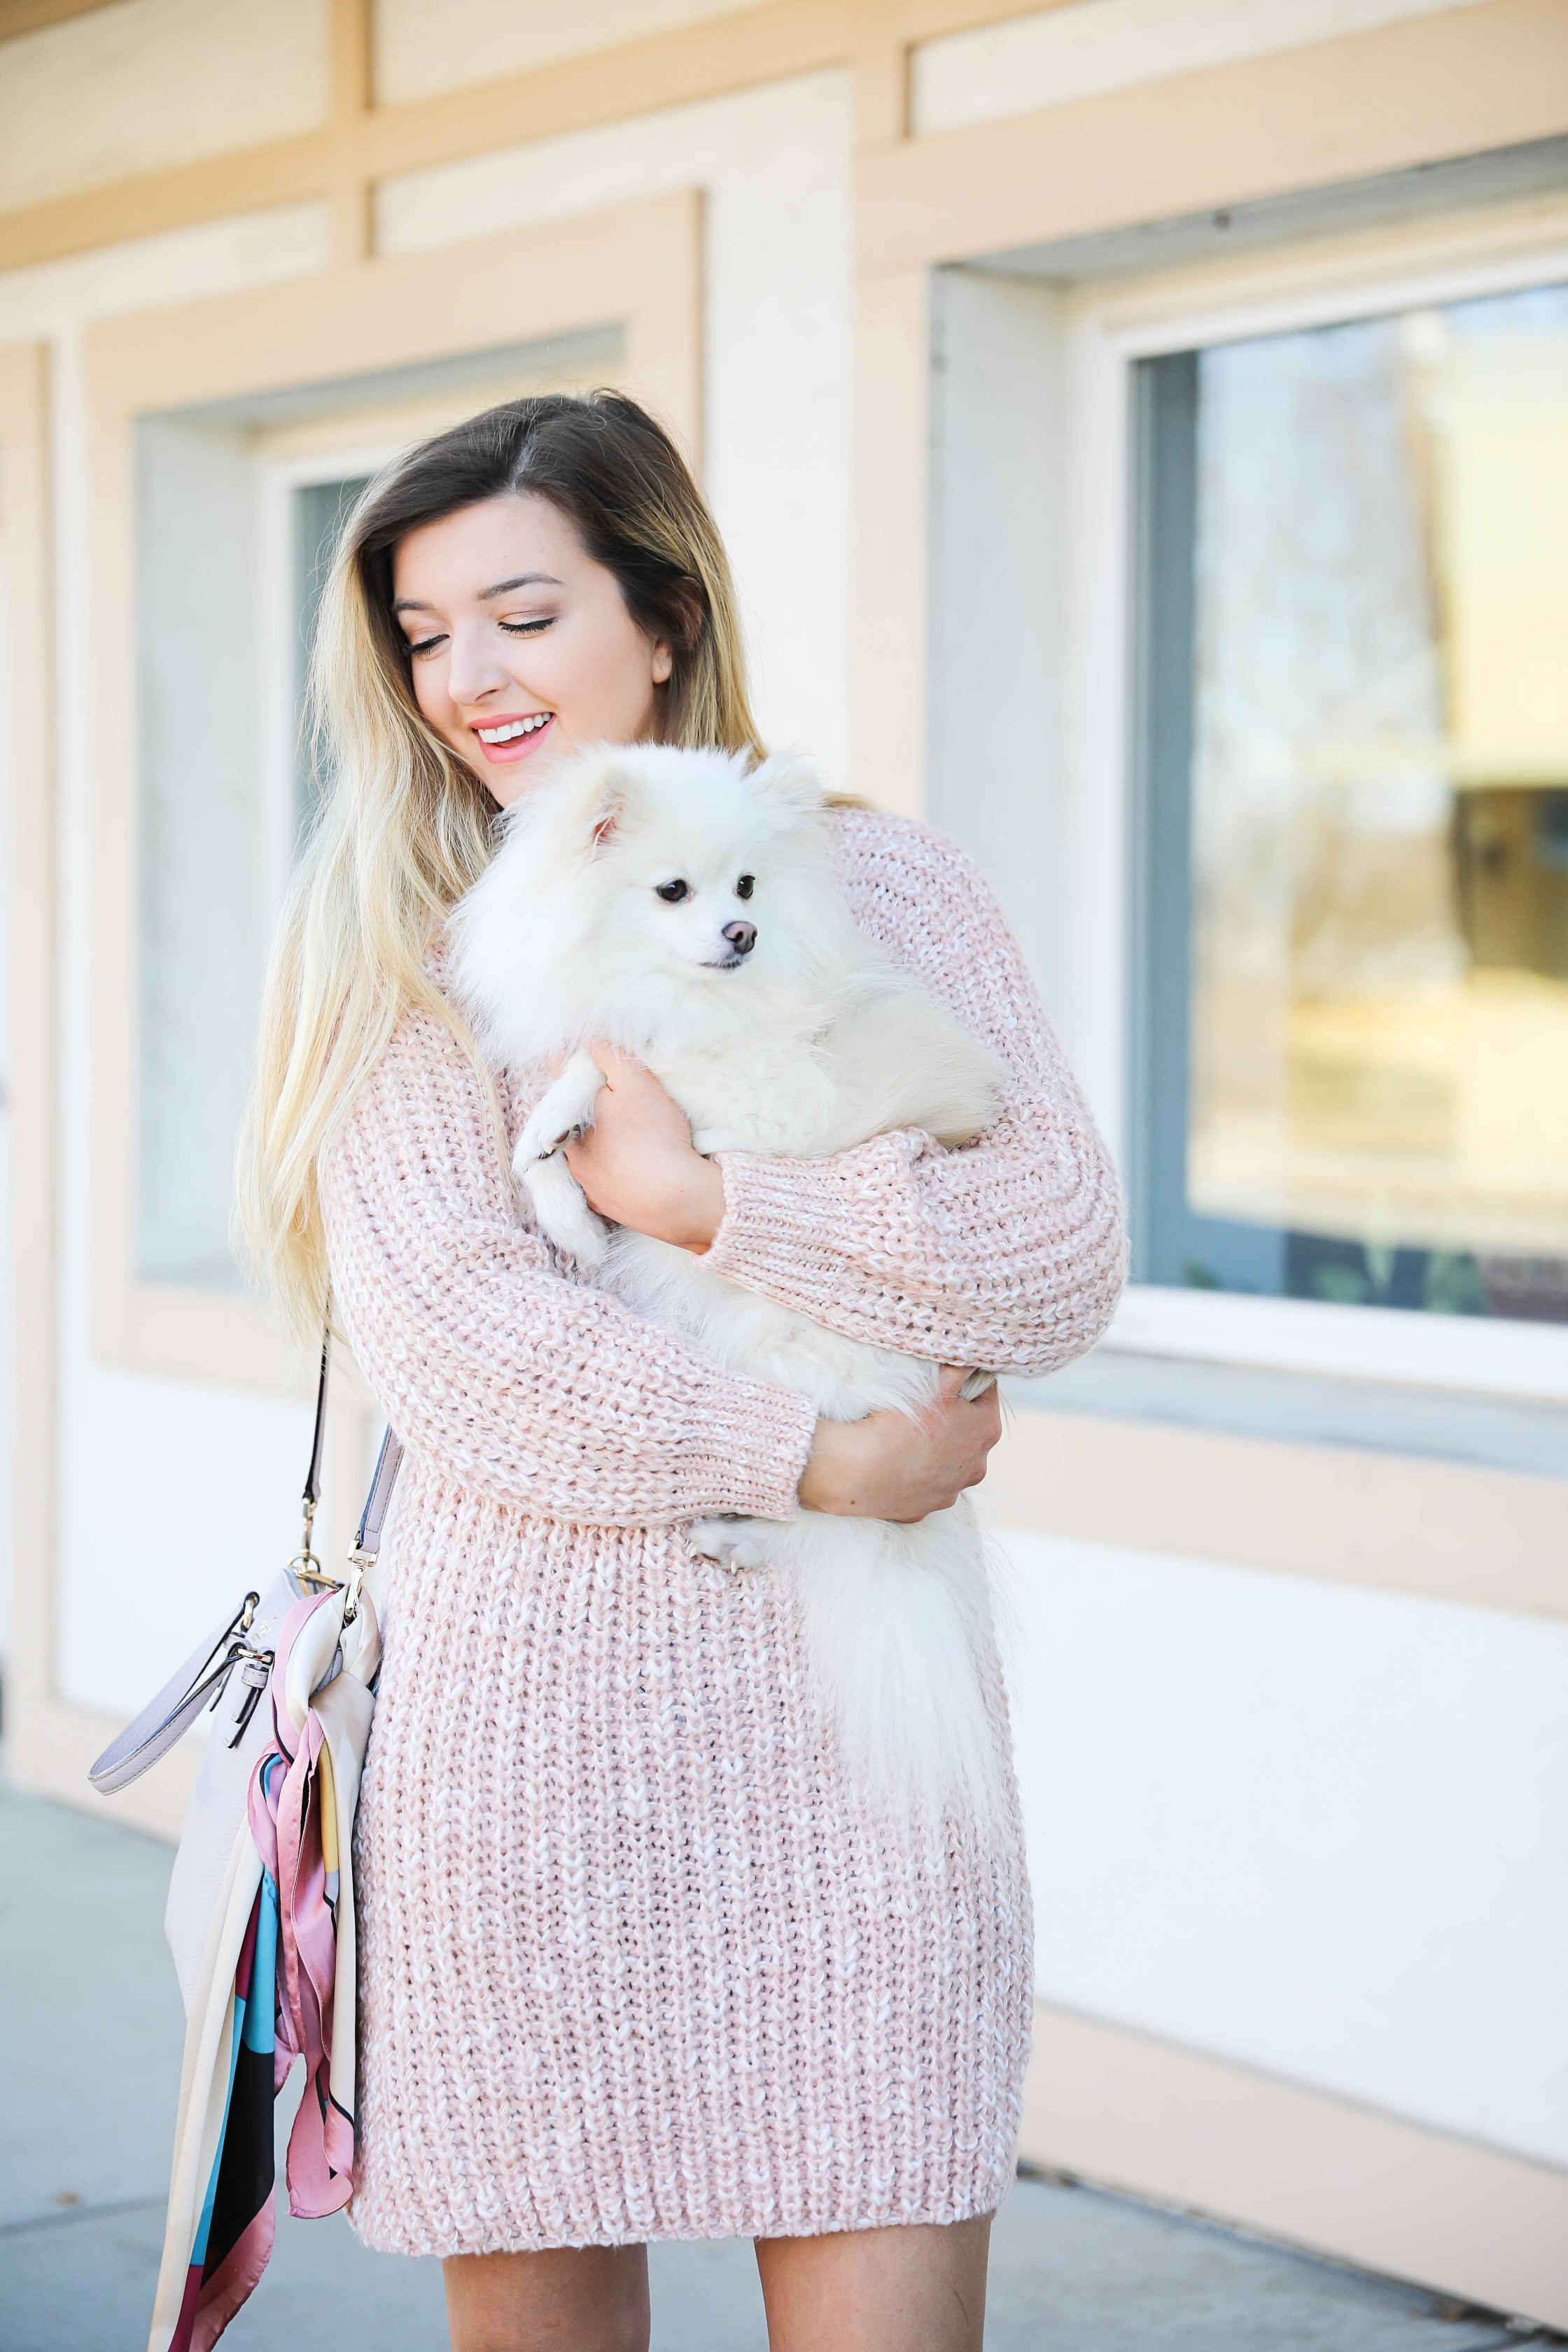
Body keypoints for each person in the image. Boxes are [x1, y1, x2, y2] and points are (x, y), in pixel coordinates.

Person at [239, 390, 1124, 2352]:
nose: (468, 677)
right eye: (424, 633)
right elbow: (470, 1346)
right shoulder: (392, 934)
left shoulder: (887, 884)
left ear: (661, 611)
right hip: (536, 1738)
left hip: (864, 1732)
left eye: (523, 612)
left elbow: (1062, 1251)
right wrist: (825, 1456)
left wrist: (714, 1198)